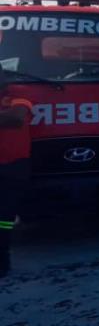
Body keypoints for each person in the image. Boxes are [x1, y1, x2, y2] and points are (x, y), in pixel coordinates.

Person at [0, 94, 32, 278]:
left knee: (4, 217)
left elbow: (16, 118)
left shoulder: (18, 95)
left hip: (13, 166)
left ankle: (2, 260)